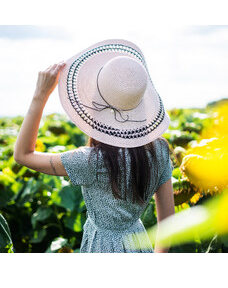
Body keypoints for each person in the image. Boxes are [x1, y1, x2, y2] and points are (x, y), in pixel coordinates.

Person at [13, 39, 175, 253]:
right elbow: (168, 223)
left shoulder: (91, 161)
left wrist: (39, 96)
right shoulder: (160, 151)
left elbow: (23, 155)